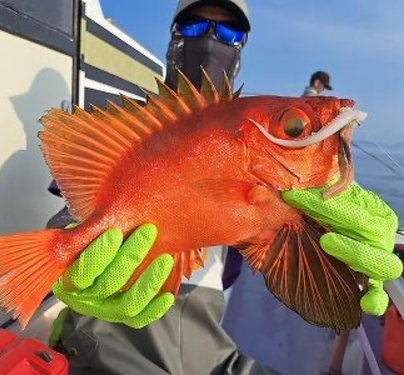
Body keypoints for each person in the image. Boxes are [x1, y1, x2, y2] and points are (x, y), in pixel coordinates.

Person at [47, 2, 402, 374]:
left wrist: (339, 236)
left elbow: (276, 233)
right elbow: (73, 207)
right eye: (196, 27)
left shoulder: (253, 130)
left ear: (241, 46)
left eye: (229, 32)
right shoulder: (128, 125)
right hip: (108, 337)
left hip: (209, 339)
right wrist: (67, 252)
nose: (212, 40)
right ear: (175, 35)